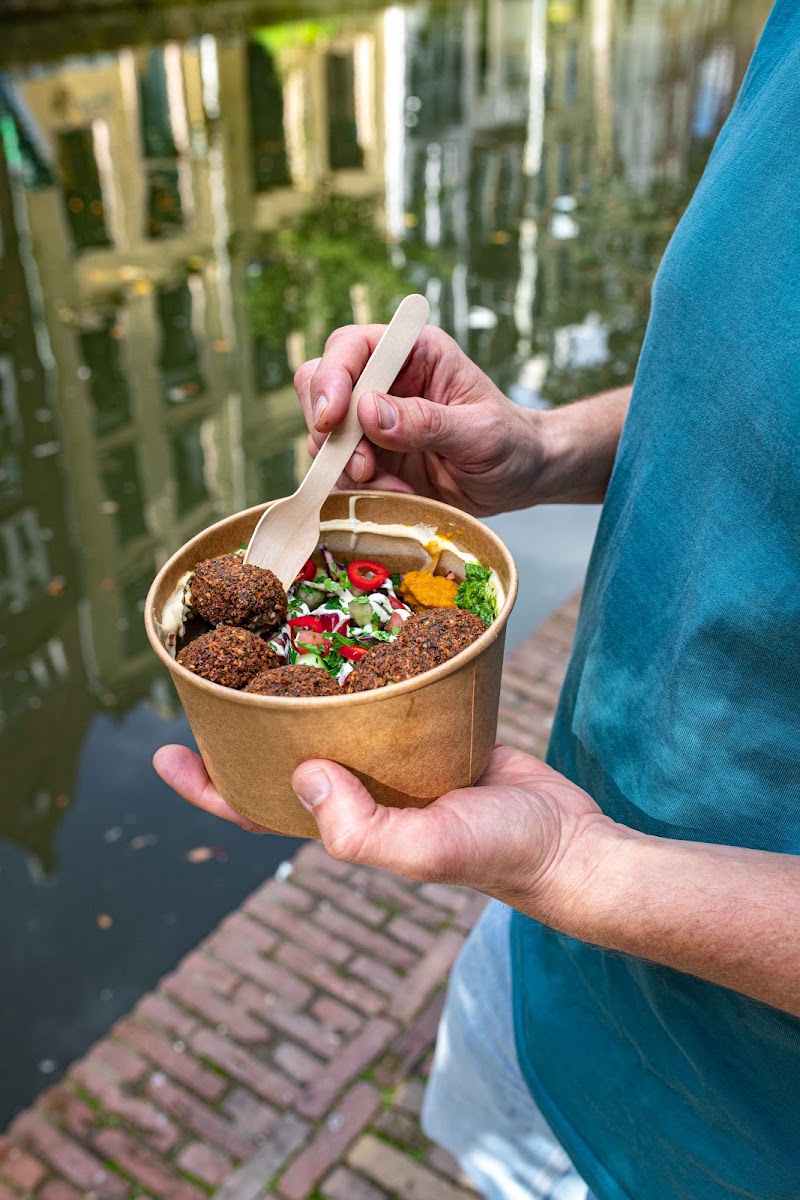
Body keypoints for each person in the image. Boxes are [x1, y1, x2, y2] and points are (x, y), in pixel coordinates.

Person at [154, 3, 800, 1196]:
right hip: (552, 975)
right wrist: (544, 446)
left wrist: (575, 865)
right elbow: (736, 392)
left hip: (743, 1133)